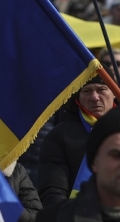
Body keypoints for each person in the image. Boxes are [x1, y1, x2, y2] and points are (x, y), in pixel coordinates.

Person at [37, 76, 115, 207]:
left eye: (101, 89)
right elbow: (53, 192)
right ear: (77, 98)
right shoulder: (59, 136)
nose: (95, 97)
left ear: (114, 93)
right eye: (87, 91)